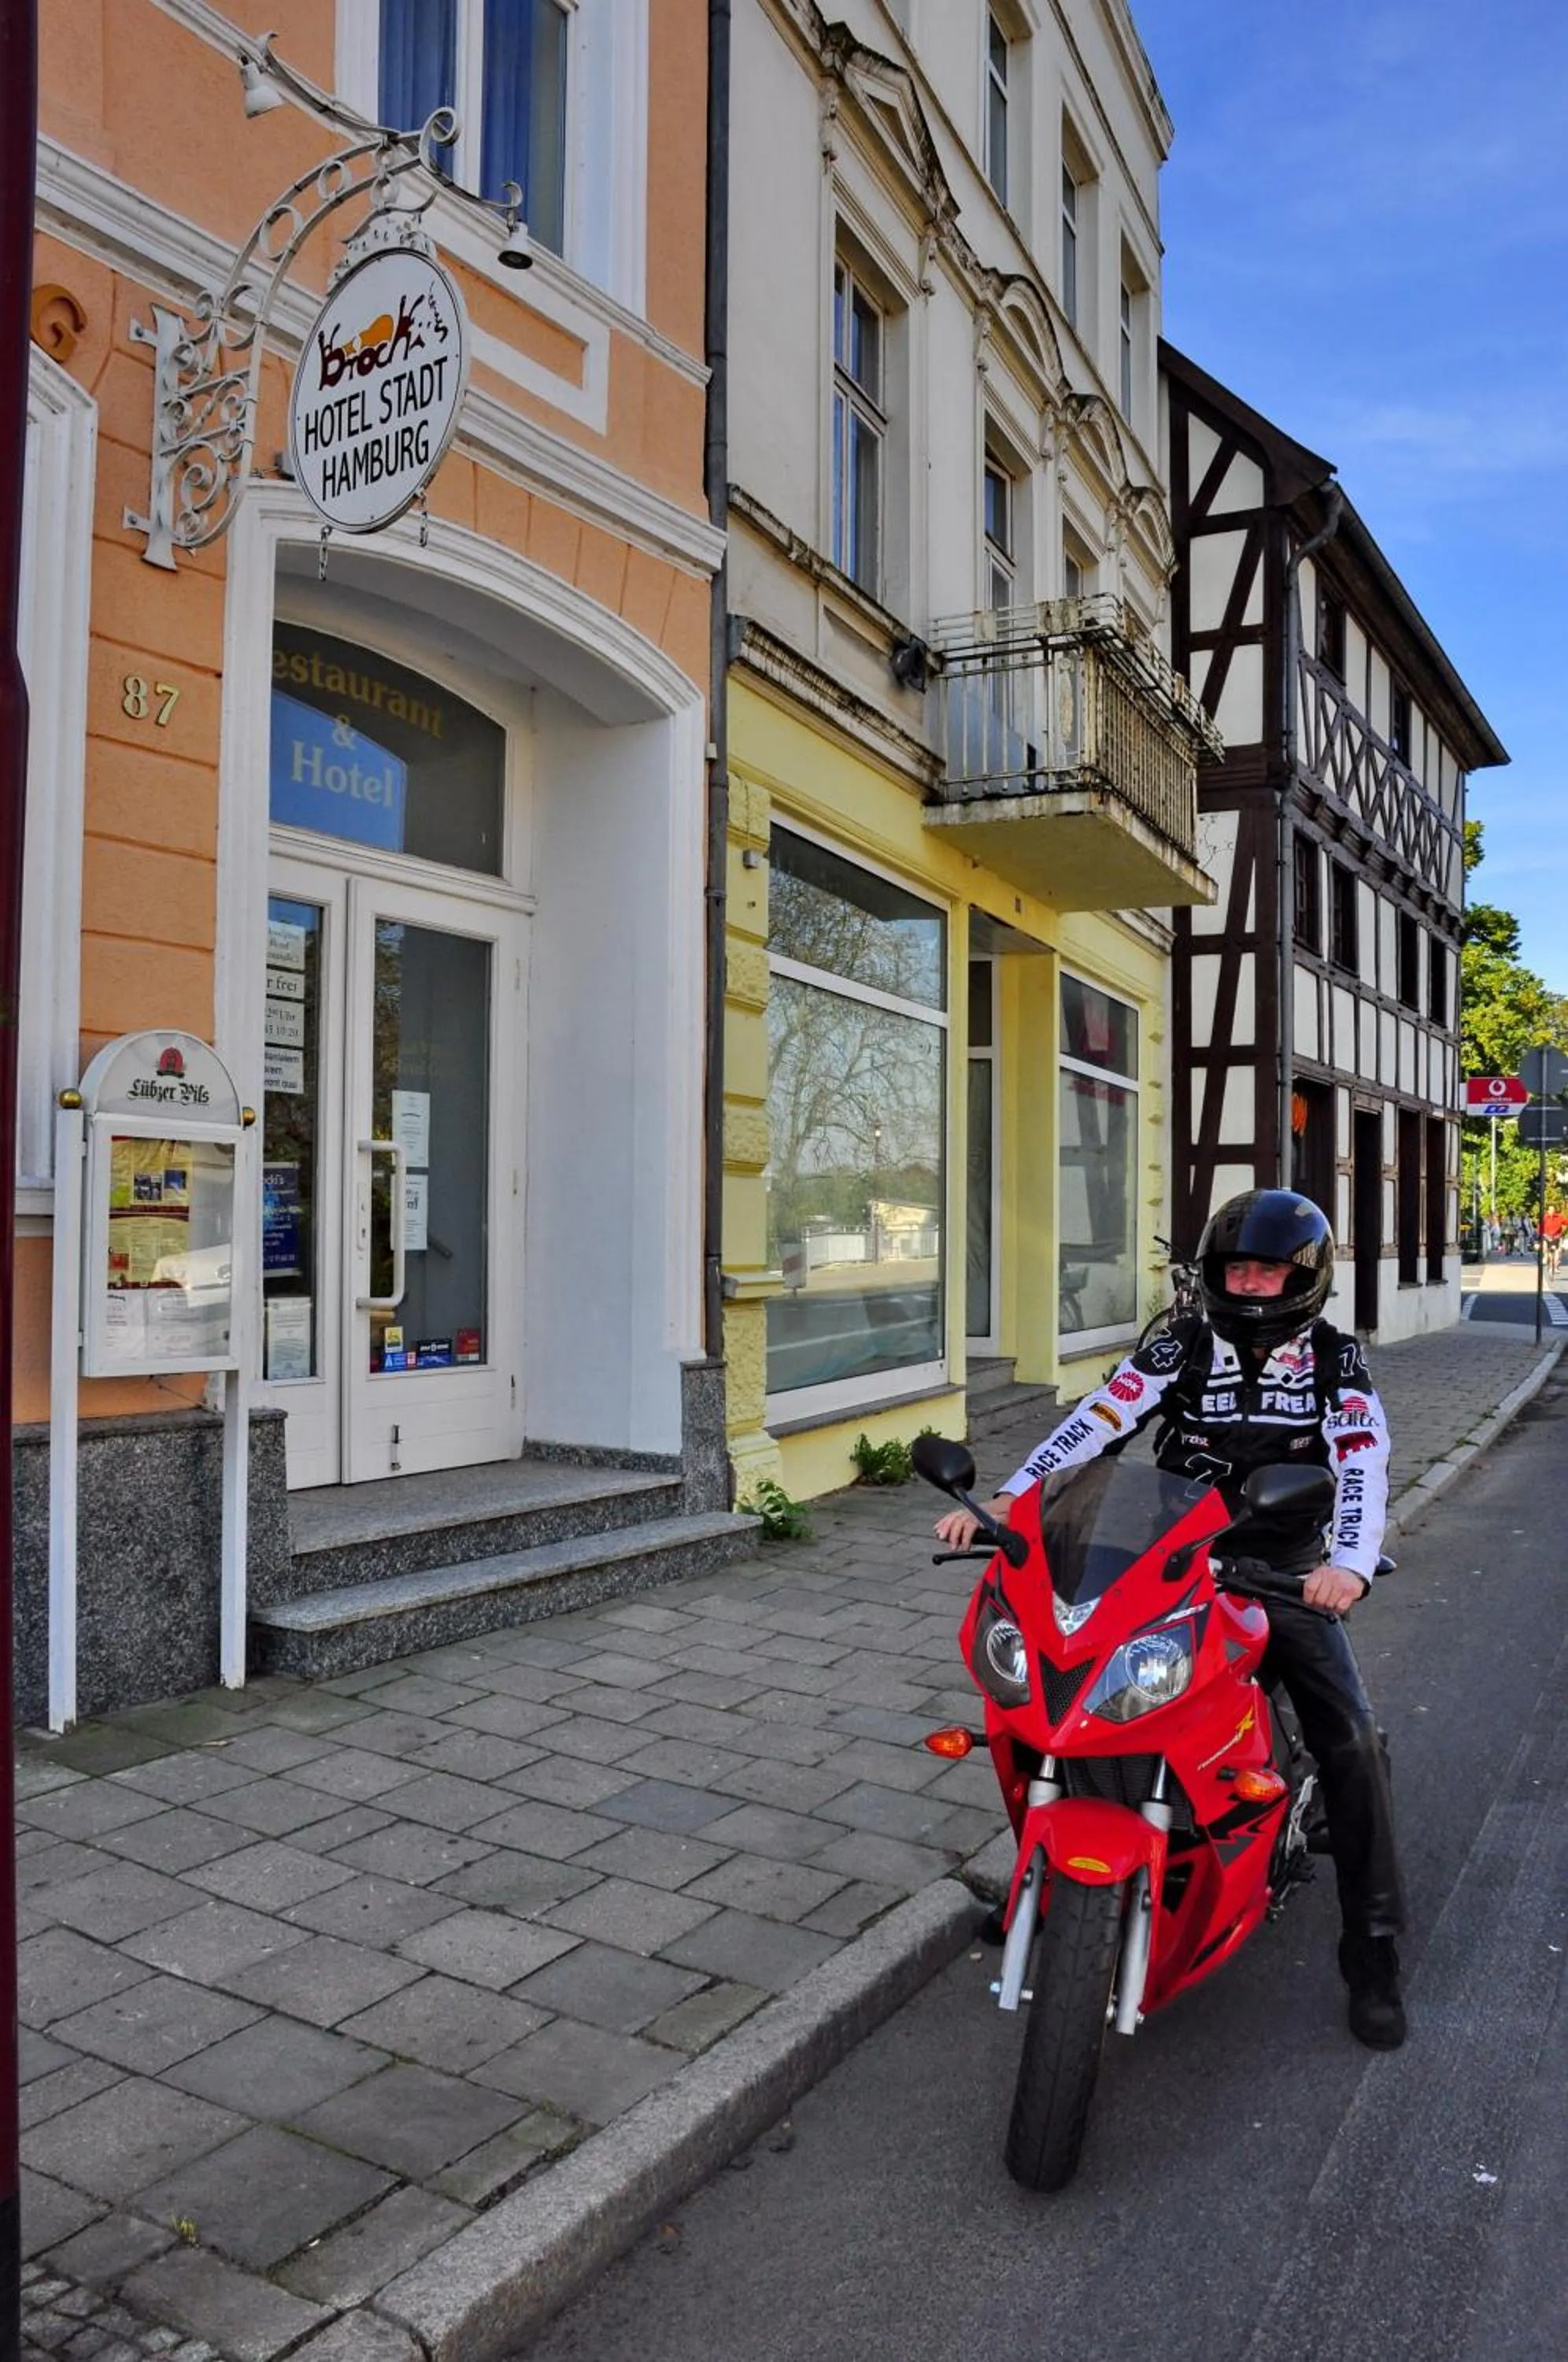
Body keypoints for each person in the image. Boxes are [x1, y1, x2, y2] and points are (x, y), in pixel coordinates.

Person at [937, 1188, 1407, 2049]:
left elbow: (1362, 1458)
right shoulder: (1183, 1343)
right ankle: (1042, 1880)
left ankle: (1372, 1947)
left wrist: (1346, 1564)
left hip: (1282, 1571)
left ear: (1303, 1279)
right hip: (1166, 1552)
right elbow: (1104, 1417)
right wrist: (1015, 1496)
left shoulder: (1337, 1361)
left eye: (1269, 1270)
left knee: (1352, 1736)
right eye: (1238, 1269)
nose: (1253, 1285)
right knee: (1062, 1695)